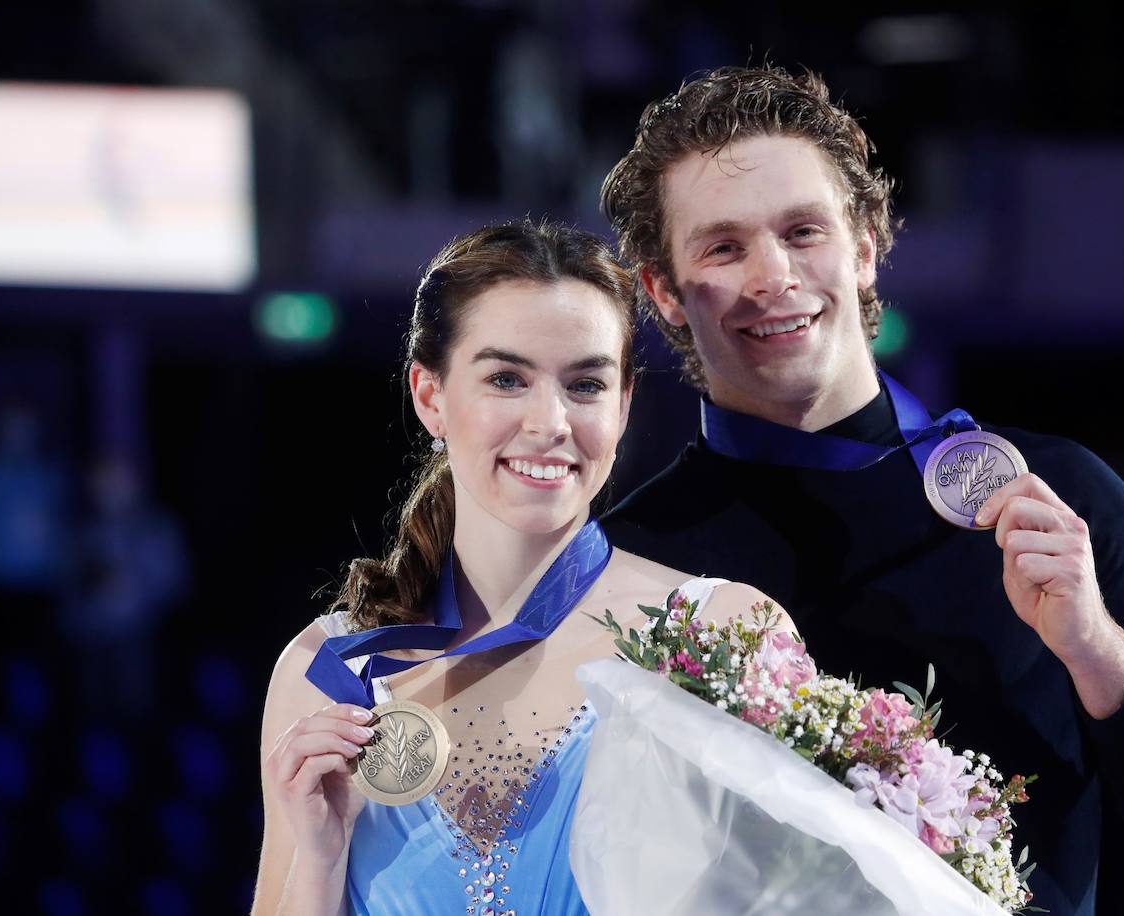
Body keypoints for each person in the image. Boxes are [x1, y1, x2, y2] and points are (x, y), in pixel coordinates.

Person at [598, 65, 1124, 915]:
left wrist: (1092, 643)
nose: (773, 276)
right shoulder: (630, 565)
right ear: (663, 290)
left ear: (866, 246)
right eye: (724, 247)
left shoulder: (1052, 495)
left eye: (804, 231)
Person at [251, 220, 789, 915]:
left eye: (585, 384)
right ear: (430, 396)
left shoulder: (723, 635)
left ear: (624, 404)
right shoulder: (328, 673)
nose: (549, 422)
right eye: (507, 379)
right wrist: (320, 863)